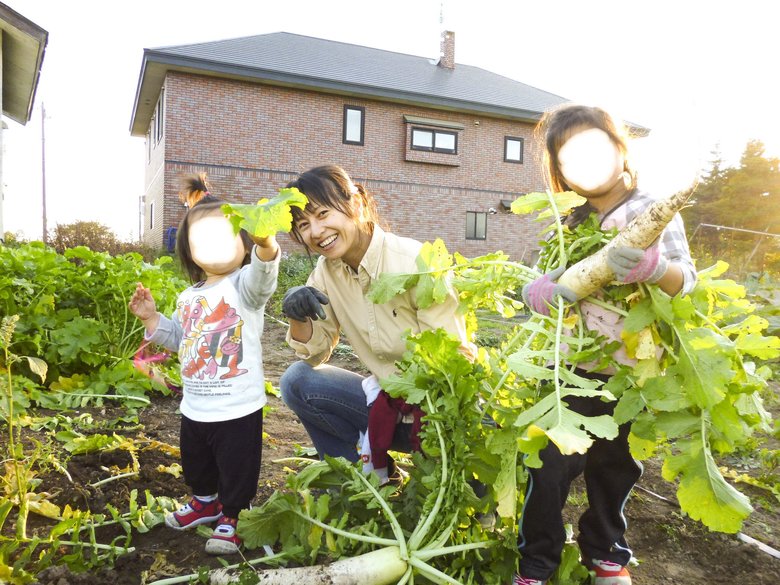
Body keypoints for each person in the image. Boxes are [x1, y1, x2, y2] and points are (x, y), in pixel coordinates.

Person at [514, 105, 696, 585]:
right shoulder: (570, 220)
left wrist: (656, 270)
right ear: (559, 170)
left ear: (621, 150)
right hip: (569, 370)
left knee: (613, 470)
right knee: (548, 468)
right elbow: (550, 280)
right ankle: (537, 562)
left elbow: (687, 280)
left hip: (626, 371)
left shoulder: (649, 210)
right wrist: (540, 291)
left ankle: (605, 553)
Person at [278, 165, 473, 481]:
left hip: (439, 410)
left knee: (459, 497)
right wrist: (296, 315)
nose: (315, 231)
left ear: (355, 204)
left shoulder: (415, 261)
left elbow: (451, 359)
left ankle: (443, 472)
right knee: (296, 381)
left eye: (323, 214)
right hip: (386, 407)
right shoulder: (325, 274)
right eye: (303, 224)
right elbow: (314, 355)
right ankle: (358, 482)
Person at [128, 186, 280, 555]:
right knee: (196, 459)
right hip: (196, 403)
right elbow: (181, 338)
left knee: (237, 464)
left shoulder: (244, 286)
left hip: (237, 405)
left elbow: (264, 275)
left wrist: (267, 246)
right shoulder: (188, 296)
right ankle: (205, 501)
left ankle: (234, 513)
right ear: (189, 249)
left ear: (243, 243)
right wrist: (152, 319)